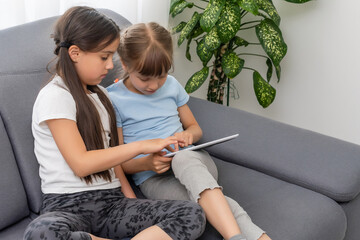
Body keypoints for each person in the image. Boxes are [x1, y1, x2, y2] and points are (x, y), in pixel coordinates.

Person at [24, 7, 206, 240]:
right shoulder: (55, 96)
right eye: (104, 57)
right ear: (75, 53)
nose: (110, 65)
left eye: (112, 57)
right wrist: (142, 146)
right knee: (41, 233)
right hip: (67, 205)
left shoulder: (102, 96)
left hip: (112, 203)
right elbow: (81, 164)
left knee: (192, 214)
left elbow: (114, 161)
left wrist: (131, 201)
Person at [107, 22, 272, 240]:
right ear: (126, 65)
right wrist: (147, 163)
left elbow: (195, 129)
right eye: (145, 79)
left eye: (162, 76)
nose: (154, 86)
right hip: (153, 179)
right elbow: (119, 159)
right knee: (211, 202)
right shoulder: (113, 99)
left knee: (183, 159)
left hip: (193, 162)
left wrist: (187, 136)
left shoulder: (172, 86)